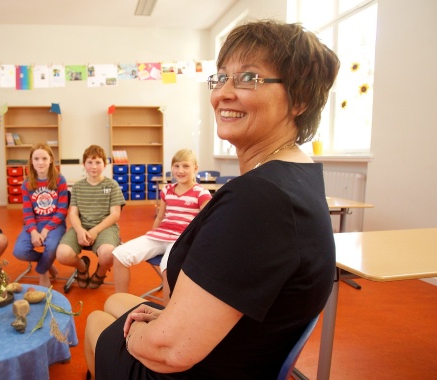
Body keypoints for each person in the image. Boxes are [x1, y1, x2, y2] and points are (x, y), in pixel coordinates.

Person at [84, 19, 339, 379]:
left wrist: (137, 334)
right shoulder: (300, 175)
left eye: (248, 78)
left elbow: (169, 351)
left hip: (202, 366)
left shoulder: (260, 198)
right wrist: (161, 322)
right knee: (116, 300)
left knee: (97, 320)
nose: (222, 93)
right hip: (236, 344)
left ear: (299, 99)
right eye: (221, 78)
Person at [112, 149, 211, 303]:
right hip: (161, 235)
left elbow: (206, 223)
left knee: (167, 267)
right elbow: (159, 217)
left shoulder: (201, 193)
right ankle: (121, 303)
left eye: (186, 166)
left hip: (182, 239)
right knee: (119, 254)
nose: (180, 170)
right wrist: (149, 237)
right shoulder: (167, 190)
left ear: (195, 168)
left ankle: (166, 314)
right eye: (176, 166)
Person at [56, 145, 125, 289]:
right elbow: (73, 213)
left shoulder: (112, 185)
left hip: (105, 227)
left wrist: (95, 231)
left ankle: (100, 273)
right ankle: (82, 267)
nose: (94, 166)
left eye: (98, 162)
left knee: (108, 254)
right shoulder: (78, 187)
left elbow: (115, 214)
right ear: (84, 164)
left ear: (105, 165)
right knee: (62, 254)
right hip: (82, 226)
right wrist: (80, 230)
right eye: (90, 162)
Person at [12, 144, 69, 287]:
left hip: (55, 224)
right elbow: (27, 212)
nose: (40, 162)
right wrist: (33, 232)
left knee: (52, 246)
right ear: (31, 161)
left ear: (51, 160)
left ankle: (42, 272)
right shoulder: (26, 184)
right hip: (35, 224)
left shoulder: (60, 180)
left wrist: (45, 230)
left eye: (44, 158)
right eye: (36, 158)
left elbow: (62, 210)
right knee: (19, 251)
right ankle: (47, 264)